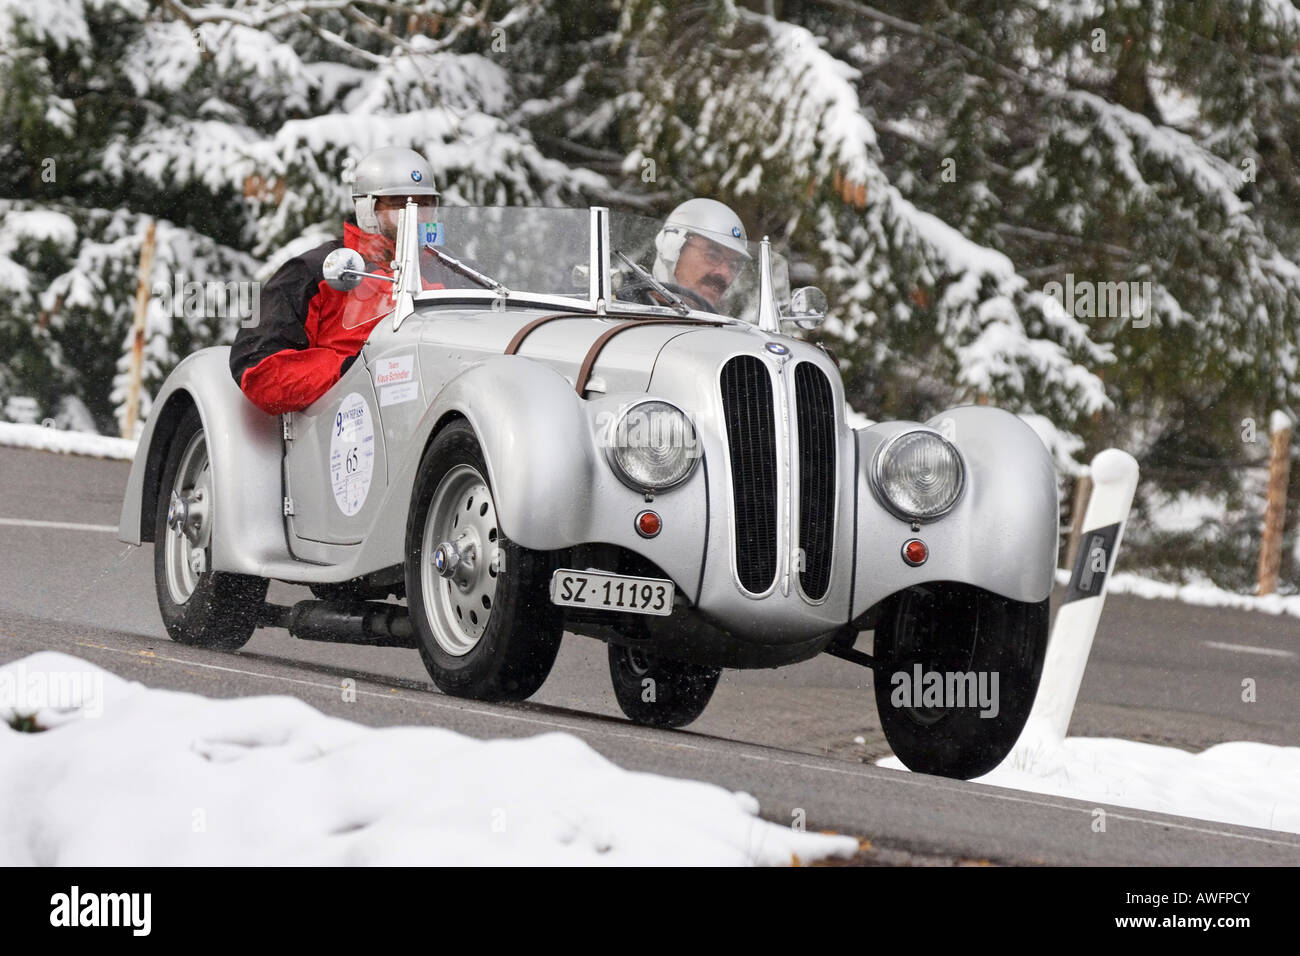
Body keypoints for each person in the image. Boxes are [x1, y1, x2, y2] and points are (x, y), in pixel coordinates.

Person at [230, 146, 470, 415]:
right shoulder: (315, 271)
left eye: (424, 205)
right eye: (400, 205)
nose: (415, 216)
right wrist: (355, 371)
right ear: (367, 209)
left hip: (442, 408)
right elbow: (258, 369)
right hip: (351, 421)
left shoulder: (456, 271)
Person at [641, 198, 751, 311]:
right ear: (672, 249)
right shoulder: (627, 312)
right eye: (712, 256)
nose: (725, 274)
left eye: (733, 266)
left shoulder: (727, 327)